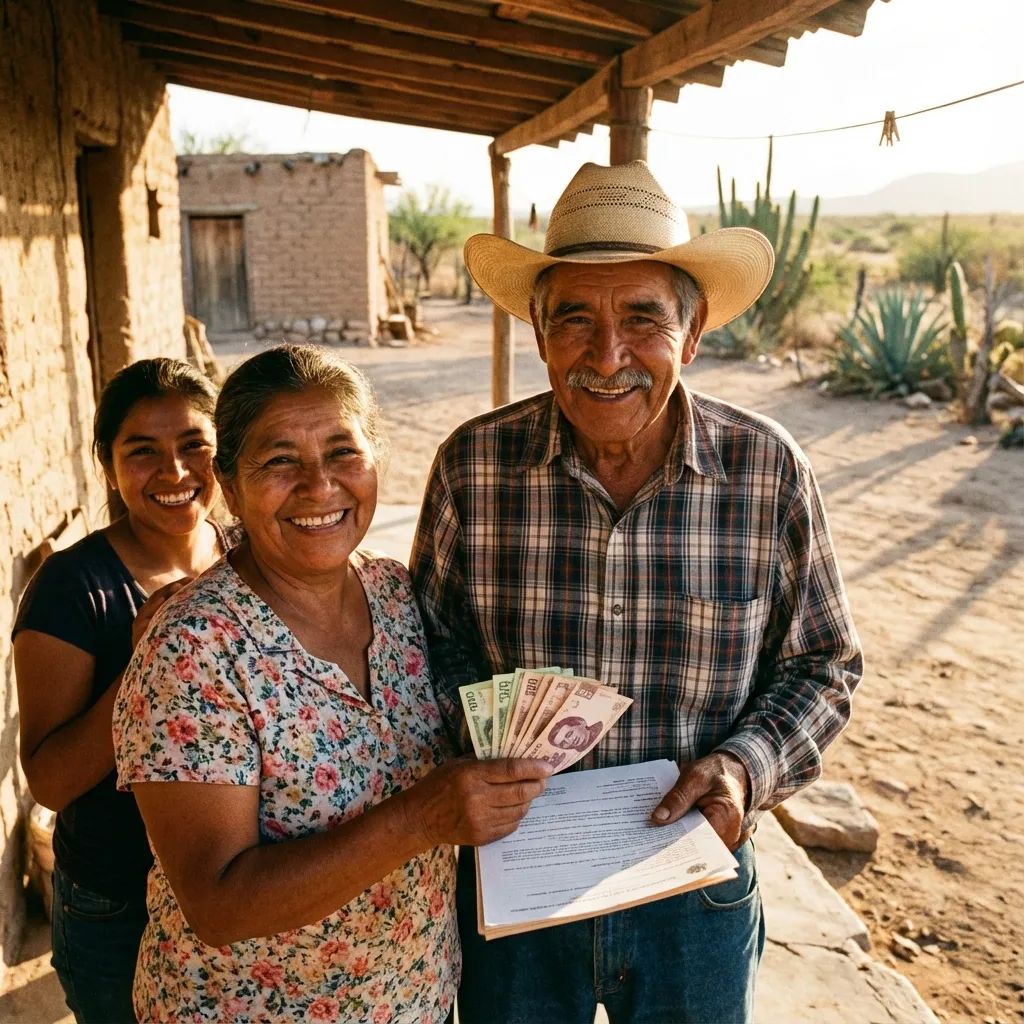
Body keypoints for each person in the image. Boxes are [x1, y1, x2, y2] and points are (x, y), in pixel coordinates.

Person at [411, 160, 864, 1024]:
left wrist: (743, 767)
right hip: (519, 889)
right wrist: (478, 747)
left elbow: (824, 664)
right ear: (540, 337)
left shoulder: (766, 471)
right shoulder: (472, 466)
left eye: (643, 320)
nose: (607, 355)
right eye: (575, 318)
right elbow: (432, 645)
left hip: (694, 888)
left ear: (691, 339)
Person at [112, 345, 551, 1023]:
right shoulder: (194, 648)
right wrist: (422, 819)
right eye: (279, 460)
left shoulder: (397, 596)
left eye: (343, 453)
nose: (319, 487)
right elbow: (218, 904)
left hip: (411, 1002)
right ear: (227, 484)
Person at [14, 358, 228, 1023]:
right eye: (143, 452)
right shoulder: (73, 590)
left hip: (236, 889)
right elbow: (49, 781)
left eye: (195, 445)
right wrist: (143, 665)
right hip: (119, 902)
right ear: (108, 466)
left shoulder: (247, 556)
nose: (174, 472)